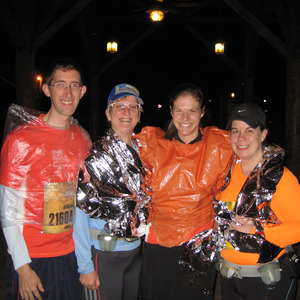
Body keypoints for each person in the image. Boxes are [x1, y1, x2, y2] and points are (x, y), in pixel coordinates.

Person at [0, 58, 92, 300]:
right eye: (60, 84)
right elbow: (8, 207)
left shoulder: (82, 138)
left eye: (74, 85)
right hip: (32, 258)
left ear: (82, 91)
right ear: (47, 89)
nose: (68, 92)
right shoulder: (22, 139)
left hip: (69, 254)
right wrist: (22, 266)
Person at [135, 83, 233, 299]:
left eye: (192, 110)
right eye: (179, 110)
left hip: (198, 242)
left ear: (202, 112)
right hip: (158, 243)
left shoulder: (220, 145)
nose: (185, 117)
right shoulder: (153, 144)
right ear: (171, 111)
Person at [210, 103, 300, 299]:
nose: (241, 138)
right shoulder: (225, 174)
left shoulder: (280, 178)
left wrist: (256, 229)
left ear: (263, 134)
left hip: (267, 281)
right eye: (235, 131)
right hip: (229, 276)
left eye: (249, 130)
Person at [73, 83, 151, 300]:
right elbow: (78, 214)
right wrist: (85, 266)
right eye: (119, 106)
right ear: (108, 113)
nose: (126, 112)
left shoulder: (146, 156)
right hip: (103, 255)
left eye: (132, 107)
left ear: (139, 115)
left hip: (135, 253)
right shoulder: (94, 157)